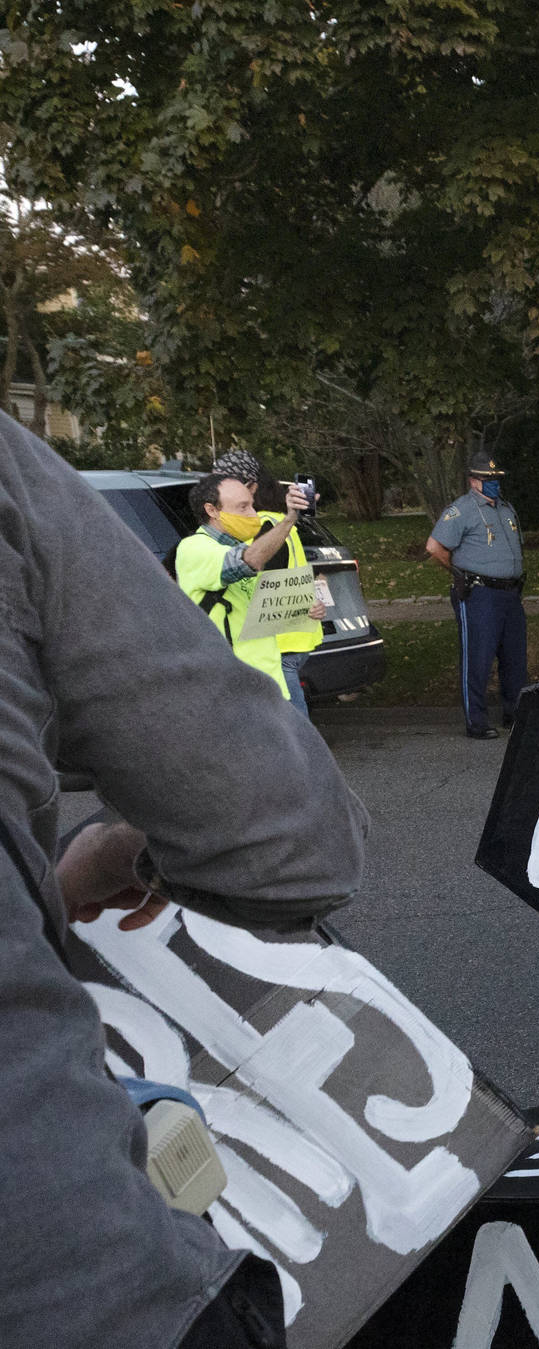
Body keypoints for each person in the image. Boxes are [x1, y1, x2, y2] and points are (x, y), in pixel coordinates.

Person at [0, 415, 368, 1347]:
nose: (246, 505)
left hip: (273, 685)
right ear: (209, 509)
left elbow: (289, 590)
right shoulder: (203, 553)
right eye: (236, 497)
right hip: (67, 1277)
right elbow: (286, 839)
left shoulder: (244, 538)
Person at [175, 472, 320, 703]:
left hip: (270, 687)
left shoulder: (245, 545)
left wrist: (304, 608)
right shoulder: (193, 548)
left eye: (252, 505)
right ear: (212, 510)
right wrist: (289, 518)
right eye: (243, 507)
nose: (253, 514)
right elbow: (246, 562)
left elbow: (259, 610)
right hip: (232, 693)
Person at [210, 449, 326, 715]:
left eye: (225, 486)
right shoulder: (278, 521)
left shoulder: (261, 526)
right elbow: (300, 573)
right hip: (296, 636)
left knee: (291, 726)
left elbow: (262, 580)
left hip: (277, 642)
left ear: (251, 487)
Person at [426, 452, 527, 739]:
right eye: (487, 479)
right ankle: (477, 721)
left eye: (496, 479)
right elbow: (435, 547)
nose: (493, 483)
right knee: (478, 659)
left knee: (514, 658)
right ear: (473, 481)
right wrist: (460, 574)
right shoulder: (462, 510)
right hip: (480, 593)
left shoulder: (506, 509)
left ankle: (514, 713)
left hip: (510, 593)